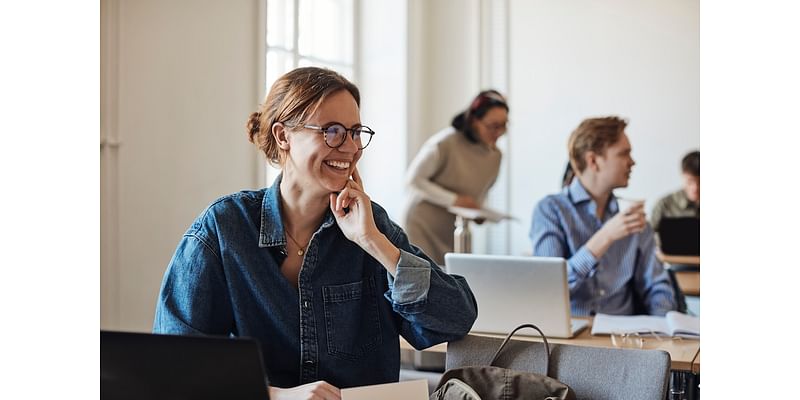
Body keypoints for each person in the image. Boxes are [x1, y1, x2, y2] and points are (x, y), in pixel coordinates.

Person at [152, 67, 478, 399]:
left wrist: (374, 243)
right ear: (283, 136)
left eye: (355, 132)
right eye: (332, 131)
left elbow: (454, 319)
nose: (350, 147)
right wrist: (277, 396)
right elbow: (176, 365)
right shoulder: (225, 228)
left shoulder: (371, 224)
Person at [529, 116, 677, 316]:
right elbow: (547, 288)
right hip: (569, 337)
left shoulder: (632, 217)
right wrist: (605, 237)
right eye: (624, 154)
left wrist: (664, 326)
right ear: (593, 161)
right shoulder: (550, 210)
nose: (632, 162)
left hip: (625, 337)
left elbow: (657, 287)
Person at [403, 90, 509, 265]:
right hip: (421, 226)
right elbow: (413, 180)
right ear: (475, 121)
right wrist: (454, 200)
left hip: (455, 230)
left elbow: (478, 195)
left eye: (503, 126)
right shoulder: (445, 142)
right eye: (493, 126)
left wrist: (479, 212)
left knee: (452, 283)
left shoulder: (496, 157)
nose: (498, 132)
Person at [650, 150, 700, 233]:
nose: (695, 188)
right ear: (683, 176)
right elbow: (649, 238)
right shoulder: (664, 205)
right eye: (690, 181)